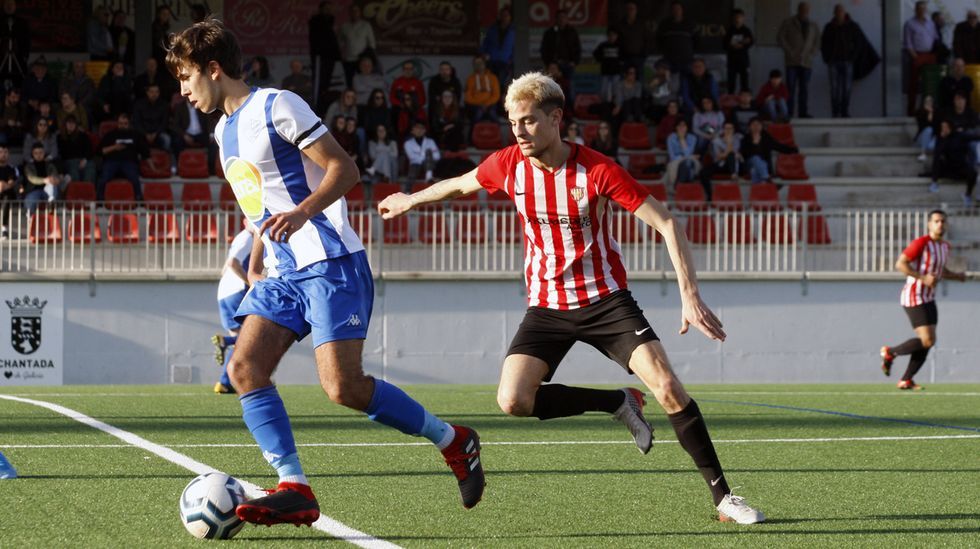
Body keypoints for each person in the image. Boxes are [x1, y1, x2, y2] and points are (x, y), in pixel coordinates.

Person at [378, 71, 765, 525]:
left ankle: (724, 498)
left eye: (528, 121)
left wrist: (689, 295)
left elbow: (667, 223)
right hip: (546, 306)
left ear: (556, 118)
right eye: (512, 122)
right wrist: (410, 199)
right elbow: (459, 184)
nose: (518, 132)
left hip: (606, 301)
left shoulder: (597, 170)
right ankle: (617, 402)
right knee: (513, 400)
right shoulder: (508, 165)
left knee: (668, 388)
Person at [166, 18, 484, 524]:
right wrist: (256, 262)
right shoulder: (223, 131)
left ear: (212, 68)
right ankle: (295, 487)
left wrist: (302, 212)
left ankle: (455, 440)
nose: (182, 90)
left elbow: (345, 170)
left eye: (185, 76)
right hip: (282, 272)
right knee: (244, 369)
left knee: (344, 388)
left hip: (331, 262)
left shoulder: (277, 106)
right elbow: (258, 206)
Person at [879, 210, 966, 391]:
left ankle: (906, 379)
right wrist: (922, 278)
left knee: (930, 341)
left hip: (929, 297)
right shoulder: (921, 243)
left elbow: (940, 270)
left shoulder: (944, 246)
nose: (940, 224)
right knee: (926, 340)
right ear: (929, 224)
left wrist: (957, 276)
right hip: (914, 295)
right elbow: (901, 264)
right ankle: (890, 352)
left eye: (943, 221)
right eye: (936, 221)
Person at [212, 227, 256, 394]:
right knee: (251, 336)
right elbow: (232, 263)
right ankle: (225, 342)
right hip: (237, 291)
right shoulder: (248, 238)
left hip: (225, 291)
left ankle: (225, 383)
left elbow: (226, 267)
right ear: (246, 222)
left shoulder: (240, 238)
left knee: (240, 341)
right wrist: (250, 282)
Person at [777, 2, 819, 119]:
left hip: (806, 62)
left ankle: (803, 113)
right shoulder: (788, 22)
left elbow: (817, 41)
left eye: (807, 10)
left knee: (804, 88)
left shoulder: (813, 25)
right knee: (790, 88)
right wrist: (789, 50)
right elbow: (780, 37)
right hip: (791, 62)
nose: (805, 11)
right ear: (798, 9)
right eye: (803, 9)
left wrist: (811, 54)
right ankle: (789, 112)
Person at [97, 112, 147, 202]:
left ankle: (139, 200)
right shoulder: (111, 135)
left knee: (135, 179)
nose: (122, 126)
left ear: (129, 124)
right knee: (103, 179)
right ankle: (99, 200)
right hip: (112, 161)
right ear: (117, 123)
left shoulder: (135, 135)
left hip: (129, 162)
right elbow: (101, 151)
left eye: (125, 123)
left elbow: (145, 152)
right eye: (120, 123)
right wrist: (114, 147)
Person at [821, 4, 861, 118]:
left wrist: (853, 57)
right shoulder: (829, 27)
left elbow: (858, 43)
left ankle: (844, 111)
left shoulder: (852, 26)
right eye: (837, 11)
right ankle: (835, 112)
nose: (839, 13)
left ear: (845, 13)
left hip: (847, 61)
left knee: (846, 88)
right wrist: (826, 58)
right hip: (833, 62)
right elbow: (823, 44)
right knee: (834, 88)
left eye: (841, 11)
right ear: (834, 13)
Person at [929, 118, 977, 204]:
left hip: (960, 166)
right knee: (938, 162)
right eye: (942, 127)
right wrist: (942, 139)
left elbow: (973, 136)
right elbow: (937, 155)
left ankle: (967, 195)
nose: (944, 129)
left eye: (945, 127)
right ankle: (934, 182)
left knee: (973, 172)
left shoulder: (959, 136)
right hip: (948, 168)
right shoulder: (941, 139)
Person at [904, 2, 939, 115]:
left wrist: (934, 54)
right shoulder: (910, 23)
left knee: (929, 84)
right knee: (913, 85)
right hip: (917, 54)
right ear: (916, 10)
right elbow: (908, 43)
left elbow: (935, 38)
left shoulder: (930, 23)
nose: (922, 11)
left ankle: (927, 110)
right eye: (920, 9)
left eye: (924, 9)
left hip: (929, 55)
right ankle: (911, 110)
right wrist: (915, 57)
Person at [740, 117, 798, 183]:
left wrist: (792, 150)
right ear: (749, 127)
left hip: (762, 165)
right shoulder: (746, 138)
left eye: (758, 125)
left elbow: (777, 146)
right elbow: (745, 154)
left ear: (761, 126)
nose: (756, 127)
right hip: (749, 165)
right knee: (755, 158)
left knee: (755, 171)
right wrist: (755, 144)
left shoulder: (766, 137)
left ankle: (761, 187)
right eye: (753, 125)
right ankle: (767, 179)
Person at [308, 2, 341, 113]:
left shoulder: (330, 20)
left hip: (330, 56)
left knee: (327, 83)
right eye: (326, 9)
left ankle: (323, 106)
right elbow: (316, 40)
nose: (328, 11)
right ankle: (317, 108)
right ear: (321, 9)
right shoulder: (316, 20)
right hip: (320, 57)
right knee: (318, 83)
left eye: (330, 8)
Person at [540, 9, 581, 98]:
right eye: (559, 17)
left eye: (563, 17)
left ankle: (571, 109)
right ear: (556, 19)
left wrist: (574, 61)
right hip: (553, 66)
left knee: (569, 87)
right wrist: (548, 63)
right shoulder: (550, 32)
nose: (561, 19)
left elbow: (577, 48)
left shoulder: (572, 32)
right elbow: (544, 49)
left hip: (568, 64)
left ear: (567, 19)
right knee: (551, 89)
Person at [699, 121, 742, 195]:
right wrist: (729, 144)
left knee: (731, 156)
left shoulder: (737, 139)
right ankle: (709, 196)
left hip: (733, 165)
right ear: (723, 130)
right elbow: (718, 156)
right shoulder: (717, 141)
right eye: (726, 128)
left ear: (733, 130)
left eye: (730, 128)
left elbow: (734, 154)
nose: (728, 130)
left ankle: (734, 175)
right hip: (720, 164)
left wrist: (728, 148)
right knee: (703, 173)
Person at [339, 5, 376, 88]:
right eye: (352, 11)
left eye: (356, 11)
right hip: (348, 59)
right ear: (349, 13)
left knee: (363, 81)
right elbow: (339, 43)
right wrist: (342, 55)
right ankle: (351, 99)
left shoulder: (366, 25)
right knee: (350, 82)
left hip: (362, 60)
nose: (354, 13)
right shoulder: (345, 26)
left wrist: (368, 57)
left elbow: (372, 44)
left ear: (360, 13)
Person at [481, 6, 515, 95]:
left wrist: (511, 60)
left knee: (503, 86)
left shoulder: (513, 30)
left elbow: (516, 48)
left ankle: (501, 107)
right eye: (503, 15)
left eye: (507, 15)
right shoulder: (493, 29)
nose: (504, 17)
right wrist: (484, 54)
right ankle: (493, 106)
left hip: (505, 62)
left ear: (510, 17)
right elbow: (485, 43)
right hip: (492, 61)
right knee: (491, 85)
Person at [657, 1, 698, 75]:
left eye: (678, 9)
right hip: (669, 60)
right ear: (671, 11)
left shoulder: (690, 23)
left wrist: (690, 52)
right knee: (669, 83)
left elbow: (696, 40)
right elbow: (659, 40)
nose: (676, 11)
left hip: (686, 59)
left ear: (682, 10)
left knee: (686, 82)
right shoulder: (664, 24)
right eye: (674, 9)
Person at [0, 0, 31, 88]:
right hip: (2, 58)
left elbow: (26, 41)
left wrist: (25, 56)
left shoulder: (22, 22)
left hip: (18, 58)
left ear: (15, 6)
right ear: (3, 6)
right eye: (7, 4)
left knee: (19, 82)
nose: (9, 6)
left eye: (11, 4)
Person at [22, 143, 59, 213]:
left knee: (52, 185)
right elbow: (31, 178)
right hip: (34, 190)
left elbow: (54, 174)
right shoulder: (28, 166)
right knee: (30, 201)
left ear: (44, 153)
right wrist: (44, 180)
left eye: (40, 152)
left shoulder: (50, 165)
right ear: (32, 154)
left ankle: (51, 205)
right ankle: (30, 219)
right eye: (36, 153)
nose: (38, 155)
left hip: (48, 190)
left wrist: (53, 179)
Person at [133, 83, 171, 152]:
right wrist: (145, 133)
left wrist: (156, 133)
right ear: (147, 92)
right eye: (152, 92)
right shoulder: (139, 104)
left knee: (167, 139)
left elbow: (164, 122)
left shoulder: (164, 104)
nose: (154, 94)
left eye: (157, 92)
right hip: (142, 132)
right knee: (133, 139)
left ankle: (167, 159)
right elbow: (136, 122)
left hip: (158, 133)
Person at [723, 9, 754, 94]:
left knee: (744, 83)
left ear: (743, 18)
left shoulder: (746, 30)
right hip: (732, 60)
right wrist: (732, 46)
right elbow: (724, 45)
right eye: (736, 17)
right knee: (731, 83)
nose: (738, 19)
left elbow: (751, 42)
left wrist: (743, 44)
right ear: (733, 18)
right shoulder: (729, 31)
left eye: (739, 17)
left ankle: (744, 102)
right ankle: (731, 101)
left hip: (743, 60)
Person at [58, 115, 96, 183]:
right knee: (73, 169)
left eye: (73, 123)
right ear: (65, 124)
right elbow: (61, 154)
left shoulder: (83, 136)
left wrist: (85, 159)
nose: (71, 125)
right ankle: (76, 191)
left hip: (84, 159)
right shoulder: (60, 137)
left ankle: (87, 190)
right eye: (69, 123)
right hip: (69, 161)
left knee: (90, 167)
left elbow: (89, 149)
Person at [464, 55, 501, 123]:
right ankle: (473, 133)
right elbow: (467, 97)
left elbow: (496, 95)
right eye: (476, 63)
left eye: (480, 63)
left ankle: (498, 133)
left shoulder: (493, 78)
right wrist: (480, 104)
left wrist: (486, 104)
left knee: (493, 115)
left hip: (490, 105)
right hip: (475, 105)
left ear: (484, 64)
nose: (478, 65)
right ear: (473, 65)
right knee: (477, 114)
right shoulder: (470, 79)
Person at [666, 118, 700, 185]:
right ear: (676, 127)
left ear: (687, 127)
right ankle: (685, 185)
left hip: (689, 162)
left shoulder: (692, 138)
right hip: (675, 162)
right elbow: (672, 157)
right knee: (687, 163)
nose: (681, 128)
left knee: (688, 163)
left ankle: (680, 185)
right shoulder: (671, 138)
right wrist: (688, 157)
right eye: (679, 125)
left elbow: (687, 154)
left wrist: (682, 140)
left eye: (684, 125)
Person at [615, 1, 646, 75]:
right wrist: (620, 55)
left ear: (636, 10)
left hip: (639, 57)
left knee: (639, 81)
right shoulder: (620, 24)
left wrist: (644, 54)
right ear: (626, 10)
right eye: (628, 9)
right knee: (624, 82)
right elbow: (617, 41)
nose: (631, 10)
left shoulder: (642, 24)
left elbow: (648, 40)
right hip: (625, 58)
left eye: (632, 9)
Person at [0, 144, 20, 239]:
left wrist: (3, 185)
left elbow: (12, 182)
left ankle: (4, 229)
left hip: (7, 194)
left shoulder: (12, 168)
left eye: (5, 152)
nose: (3, 154)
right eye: (0, 152)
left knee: (7, 197)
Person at [914, 95, 937, 162]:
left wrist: (932, 113)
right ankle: (923, 153)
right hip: (921, 139)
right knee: (928, 129)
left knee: (931, 145)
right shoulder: (919, 112)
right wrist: (927, 112)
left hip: (932, 139)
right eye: (927, 101)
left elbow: (936, 127)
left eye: (930, 101)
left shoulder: (936, 113)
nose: (928, 103)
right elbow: (923, 126)